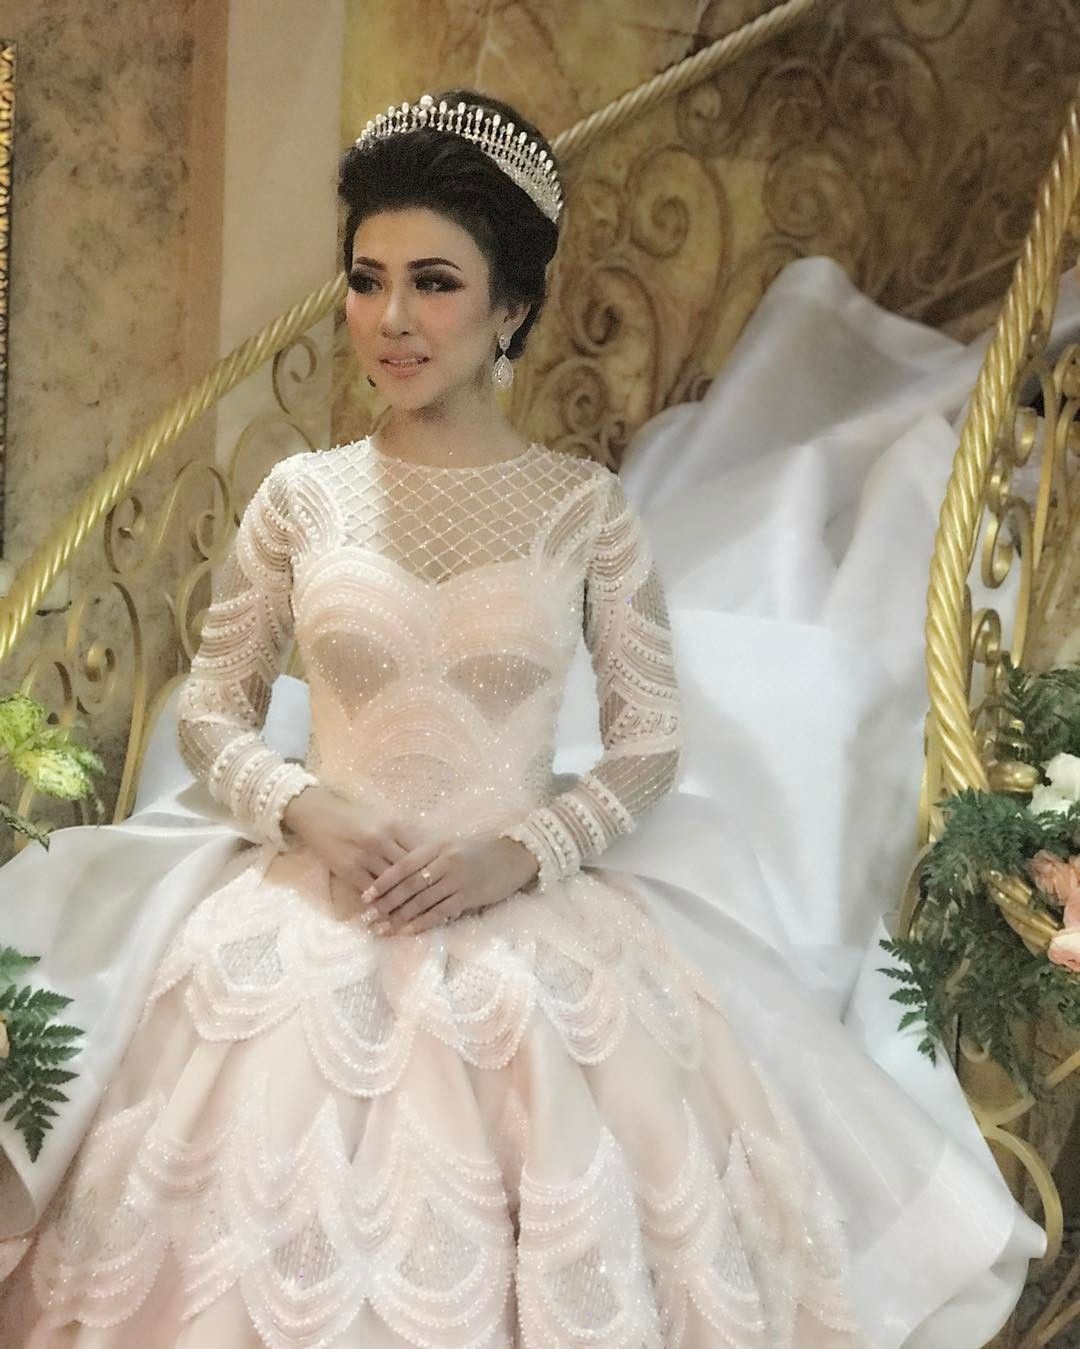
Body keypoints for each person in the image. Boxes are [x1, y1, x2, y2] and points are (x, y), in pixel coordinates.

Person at [0, 88, 871, 1346]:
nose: (392, 319)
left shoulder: (583, 509)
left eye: (434, 282)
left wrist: (516, 851)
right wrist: (308, 807)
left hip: (518, 918)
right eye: (367, 280)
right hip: (313, 905)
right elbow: (214, 711)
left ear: (511, 306)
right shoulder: (302, 495)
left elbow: (647, 744)